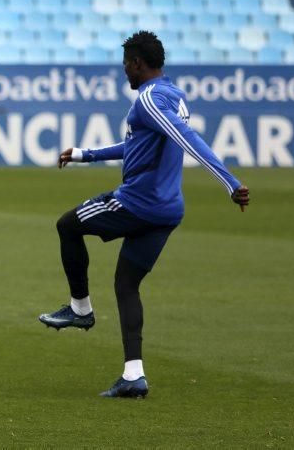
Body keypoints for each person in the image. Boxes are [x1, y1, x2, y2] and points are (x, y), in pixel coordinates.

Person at [38, 31, 250, 398]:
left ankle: (79, 309)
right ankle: (134, 376)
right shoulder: (171, 95)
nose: (125, 72)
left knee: (67, 225)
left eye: (126, 65)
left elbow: (187, 139)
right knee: (126, 284)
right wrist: (86, 154)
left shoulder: (149, 99)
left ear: (137, 63)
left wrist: (230, 183)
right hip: (167, 211)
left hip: (138, 202)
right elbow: (138, 144)